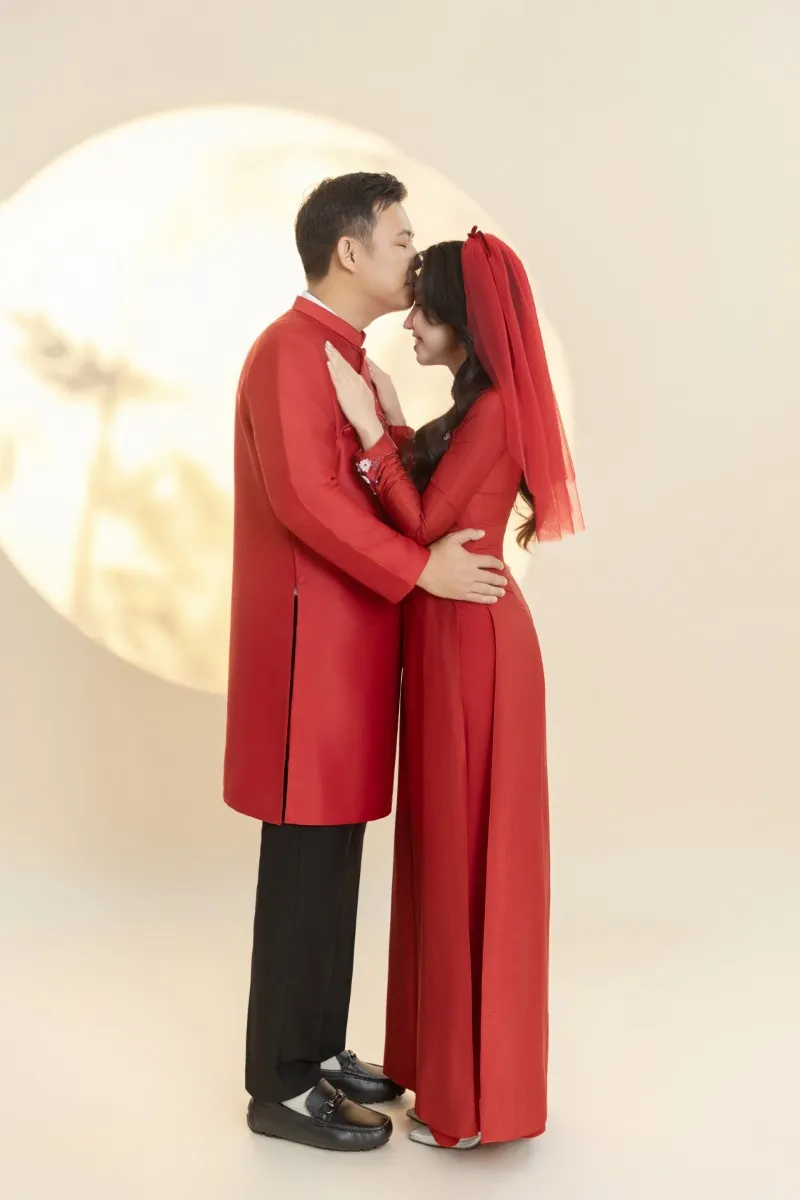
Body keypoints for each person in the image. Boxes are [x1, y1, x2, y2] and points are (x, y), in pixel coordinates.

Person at [224, 177, 510, 1153]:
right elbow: (306, 499)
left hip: (351, 643)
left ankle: (314, 1048)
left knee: (334, 859)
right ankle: (279, 1087)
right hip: (310, 652)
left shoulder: (342, 357)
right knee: (304, 862)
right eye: (400, 238)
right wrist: (420, 569)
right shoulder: (288, 351)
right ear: (348, 252)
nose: (413, 256)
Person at [325, 228, 584, 1149]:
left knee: (469, 852)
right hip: (448, 641)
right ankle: (439, 1066)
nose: (411, 324)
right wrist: (395, 422)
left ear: (463, 323)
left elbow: (427, 524)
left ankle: (475, 1102)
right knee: (440, 848)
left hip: (475, 649)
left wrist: (369, 431)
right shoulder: (475, 411)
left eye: (426, 313)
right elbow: (437, 511)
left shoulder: (497, 411)